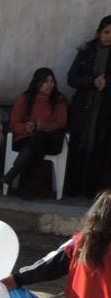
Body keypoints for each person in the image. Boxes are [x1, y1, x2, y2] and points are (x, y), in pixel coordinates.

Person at [1, 68, 68, 200]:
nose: (49, 85)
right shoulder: (25, 99)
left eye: (52, 81)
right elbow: (14, 123)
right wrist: (26, 127)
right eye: (45, 81)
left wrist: (41, 126)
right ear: (37, 82)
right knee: (37, 145)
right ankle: (31, 188)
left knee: (40, 137)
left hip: (50, 140)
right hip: (25, 139)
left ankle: (15, 173)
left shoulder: (58, 99)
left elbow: (61, 123)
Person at [66, 15, 111, 198]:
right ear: (99, 32)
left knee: (99, 147)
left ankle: (91, 189)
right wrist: (92, 82)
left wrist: (106, 84)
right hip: (83, 108)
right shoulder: (86, 51)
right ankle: (73, 187)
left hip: (105, 110)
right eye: (106, 32)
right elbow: (71, 78)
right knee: (79, 144)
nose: (109, 37)